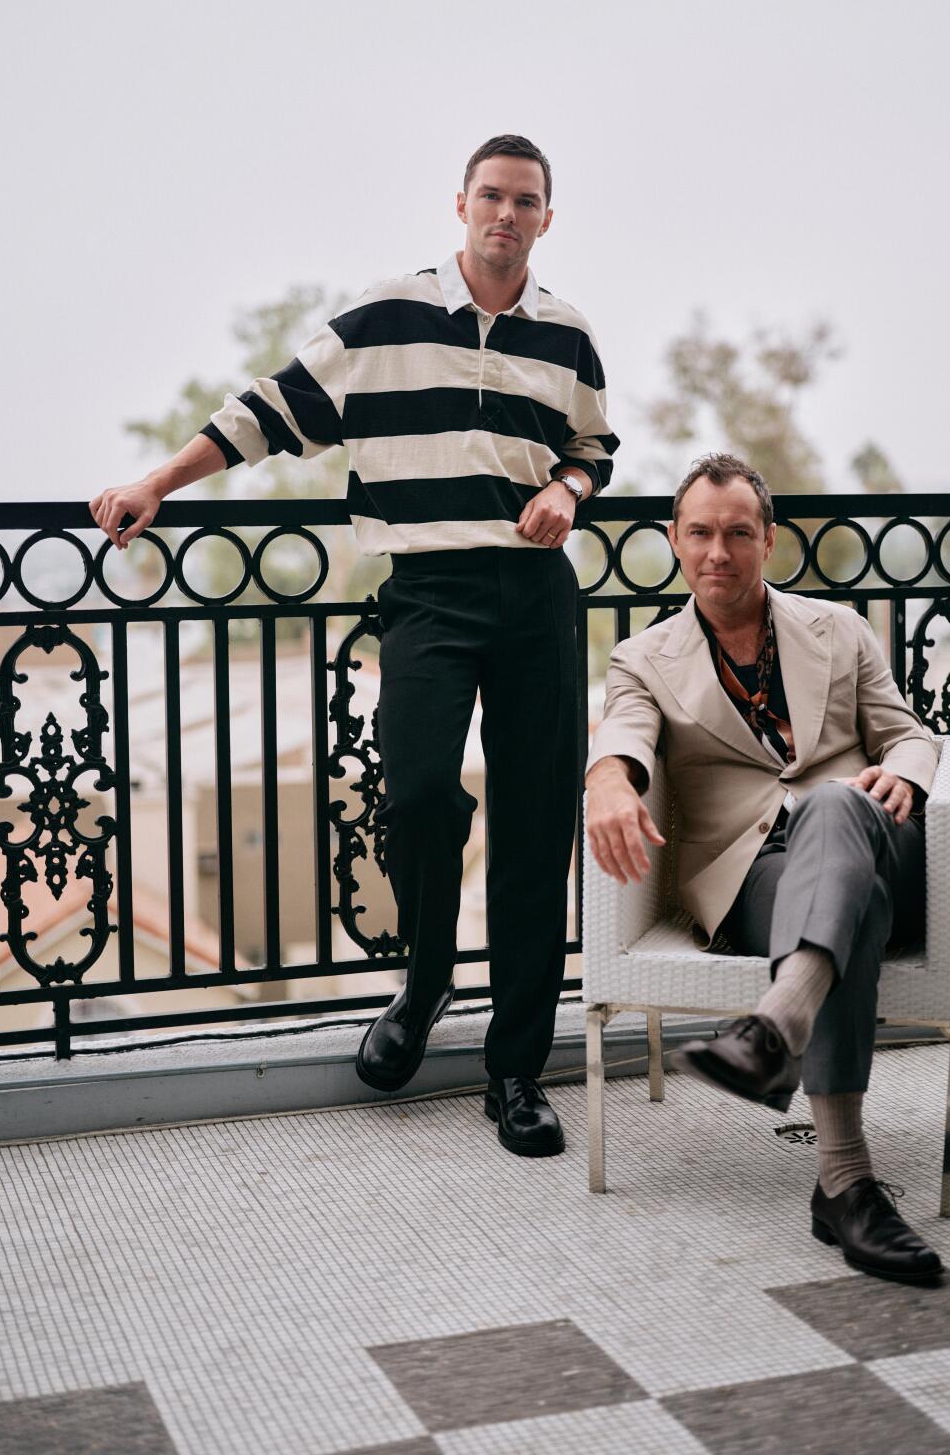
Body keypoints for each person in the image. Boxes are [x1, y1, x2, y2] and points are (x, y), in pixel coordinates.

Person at [90, 134, 617, 1159]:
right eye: (492, 196)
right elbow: (269, 411)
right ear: (460, 205)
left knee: (533, 823)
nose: (507, 213)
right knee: (418, 790)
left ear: (548, 219)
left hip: (535, 597)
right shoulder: (387, 317)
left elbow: (594, 445)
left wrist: (567, 488)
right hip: (427, 591)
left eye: (527, 201)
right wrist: (158, 482)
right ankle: (424, 986)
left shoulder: (569, 335)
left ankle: (516, 1071)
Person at [584, 453, 944, 1281]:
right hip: (755, 882)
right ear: (674, 541)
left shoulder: (839, 629)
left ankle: (777, 1033)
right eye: (701, 533)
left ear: (769, 540)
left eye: (738, 533)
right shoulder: (643, 658)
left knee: (833, 805)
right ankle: (844, 1181)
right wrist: (606, 780)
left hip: (875, 837)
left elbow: (911, 732)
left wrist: (908, 772)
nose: (720, 552)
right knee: (841, 918)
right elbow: (624, 737)